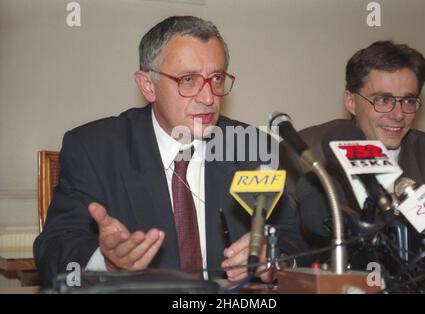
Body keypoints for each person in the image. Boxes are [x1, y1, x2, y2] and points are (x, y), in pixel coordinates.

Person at [33, 16, 307, 286]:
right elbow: (55, 249)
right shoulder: (94, 149)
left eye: (217, 78)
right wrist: (106, 261)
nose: (208, 98)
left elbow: (291, 241)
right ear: (148, 85)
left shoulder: (252, 147)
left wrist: (274, 261)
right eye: (188, 79)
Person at [280, 41, 425, 267]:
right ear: (350, 101)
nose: (398, 114)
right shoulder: (305, 154)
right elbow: (283, 242)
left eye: (408, 101)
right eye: (383, 100)